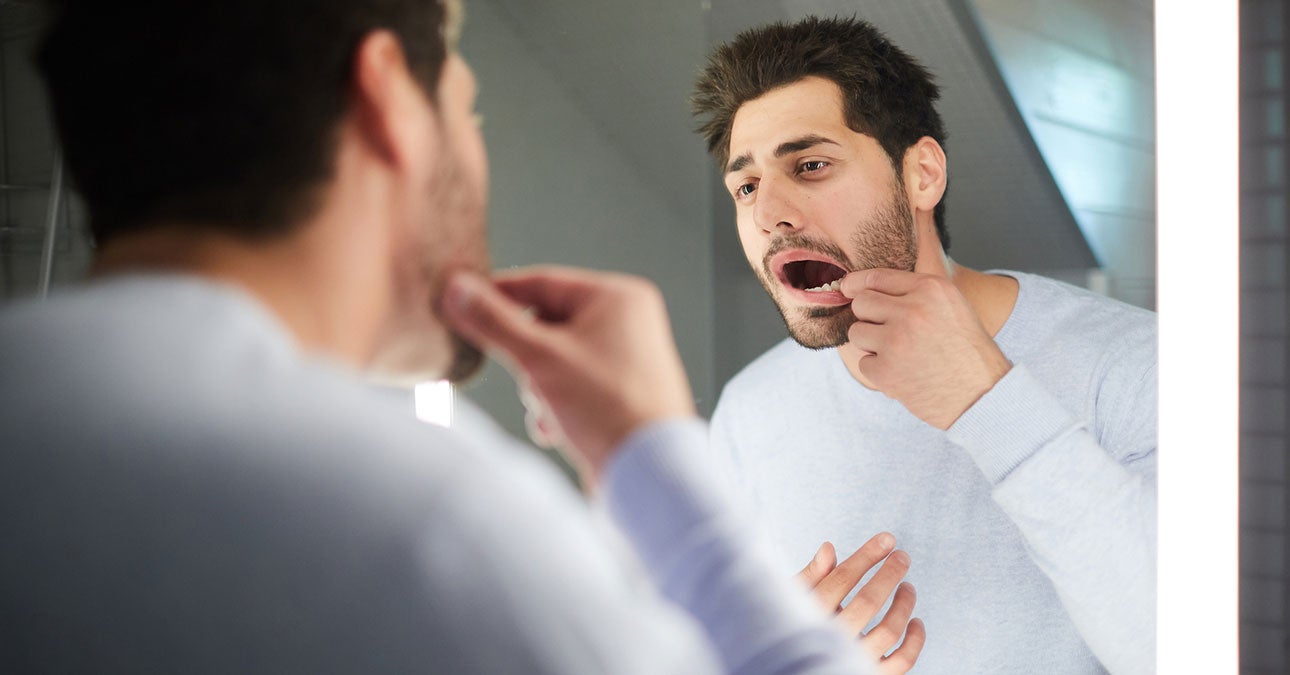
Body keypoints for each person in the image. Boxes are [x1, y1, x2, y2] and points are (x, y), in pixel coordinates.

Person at [0, 1, 931, 672]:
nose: (769, 210)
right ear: (390, 103)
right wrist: (654, 457)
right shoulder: (422, 525)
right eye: (468, 107)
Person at [692, 16, 1156, 675]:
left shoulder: (1133, 365)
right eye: (747, 186)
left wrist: (987, 401)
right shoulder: (750, 411)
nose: (770, 213)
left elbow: (1189, 647)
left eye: (812, 165)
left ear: (923, 174)